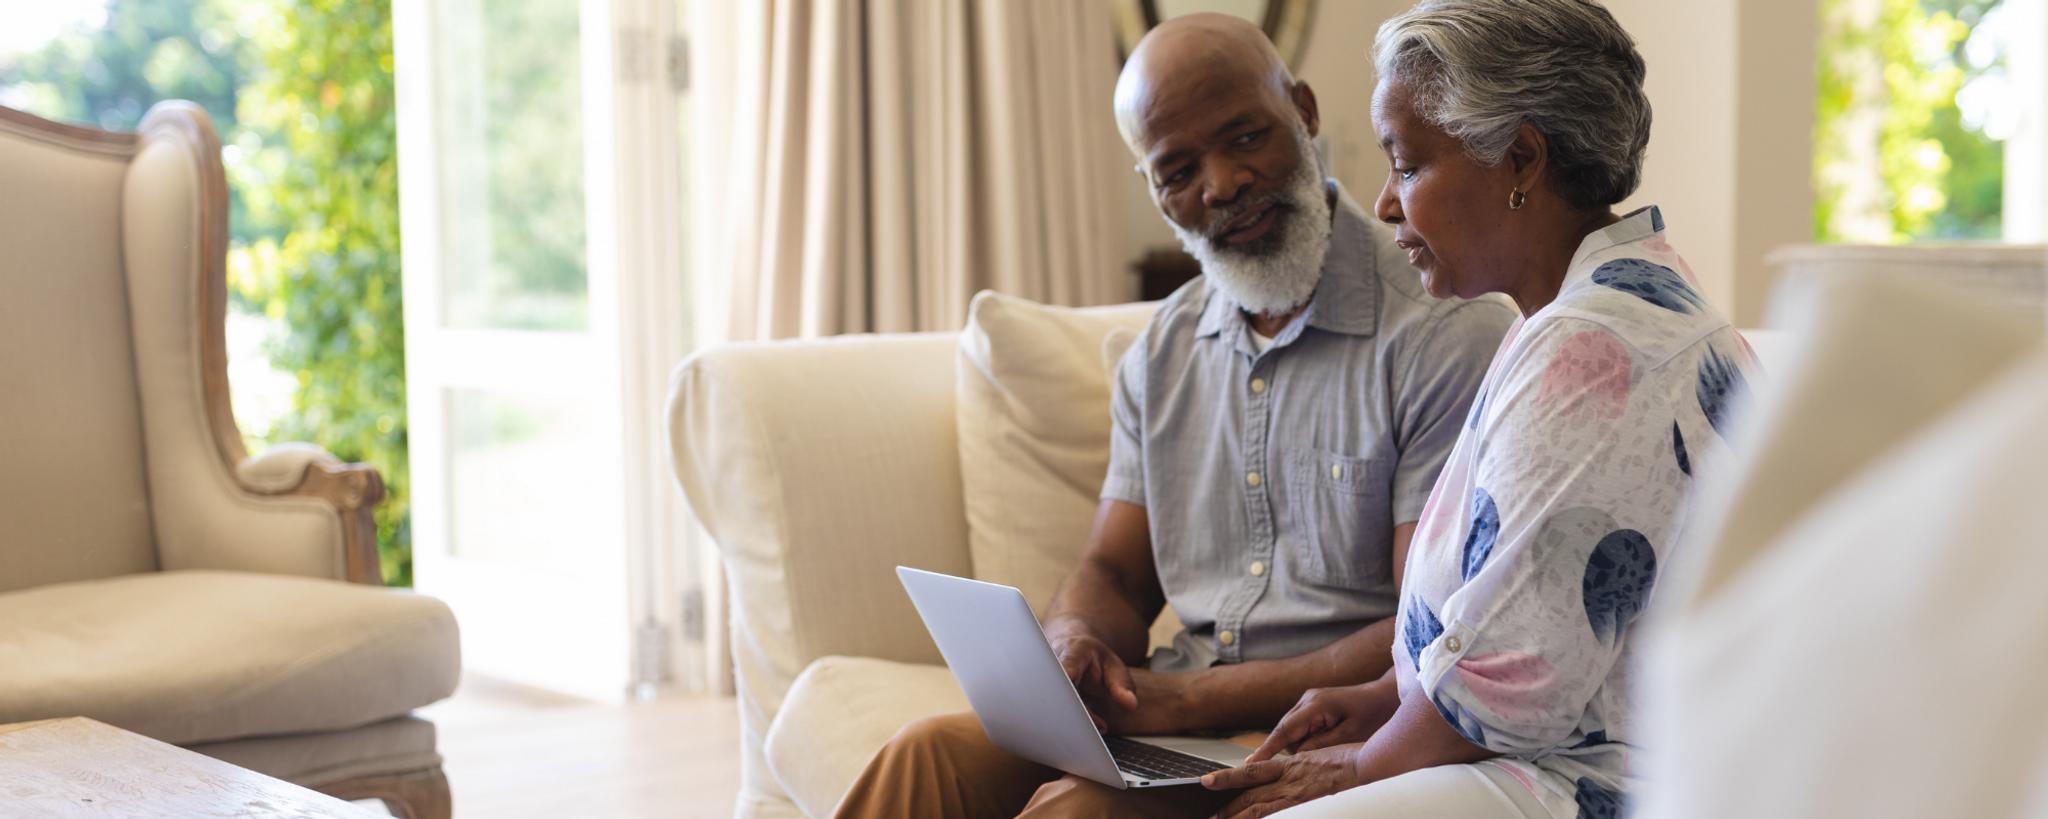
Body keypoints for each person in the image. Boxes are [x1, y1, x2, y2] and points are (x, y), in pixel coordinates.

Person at [830, 13, 1516, 819]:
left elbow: (1424, 627)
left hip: (1322, 732)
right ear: (1153, 187)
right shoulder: (1161, 352)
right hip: (1166, 724)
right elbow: (1114, 572)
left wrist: (1183, 699)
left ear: (1304, 111)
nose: (1222, 185)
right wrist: (1074, 638)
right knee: (922, 757)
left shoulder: (1443, 330)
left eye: (1246, 137)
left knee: (1079, 809)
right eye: (1178, 168)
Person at [1196, 1, 1760, 817]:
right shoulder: (1604, 307)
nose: (1385, 202)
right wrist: (1391, 694)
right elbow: (1525, 597)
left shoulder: (1595, 348)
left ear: (1521, 159)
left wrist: (1361, 767)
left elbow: (1514, 678)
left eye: (1408, 164)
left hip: (1589, 783)